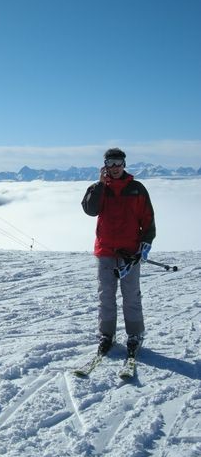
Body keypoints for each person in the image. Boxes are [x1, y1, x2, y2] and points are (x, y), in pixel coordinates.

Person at [81, 148, 156, 357]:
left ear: (124, 164)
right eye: (110, 163)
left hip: (130, 253)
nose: (115, 167)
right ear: (105, 165)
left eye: (118, 162)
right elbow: (90, 210)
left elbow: (148, 220)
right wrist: (99, 185)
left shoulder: (137, 189)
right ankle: (107, 335)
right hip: (106, 250)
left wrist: (145, 245)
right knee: (106, 295)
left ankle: (135, 334)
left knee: (131, 295)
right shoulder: (98, 188)